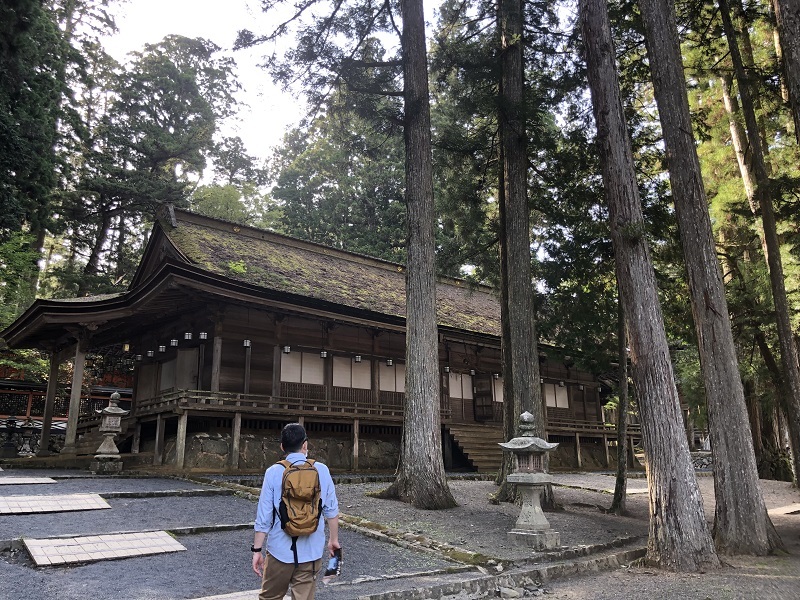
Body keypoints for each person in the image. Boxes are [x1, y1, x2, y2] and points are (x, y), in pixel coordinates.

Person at [252, 423, 340, 600]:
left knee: (270, 597)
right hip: (311, 551)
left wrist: (257, 550)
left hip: (279, 551)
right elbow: (331, 510)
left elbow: (264, 517)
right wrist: (333, 540)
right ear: (305, 445)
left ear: (282, 447)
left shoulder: (273, 472)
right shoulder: (321, 470)